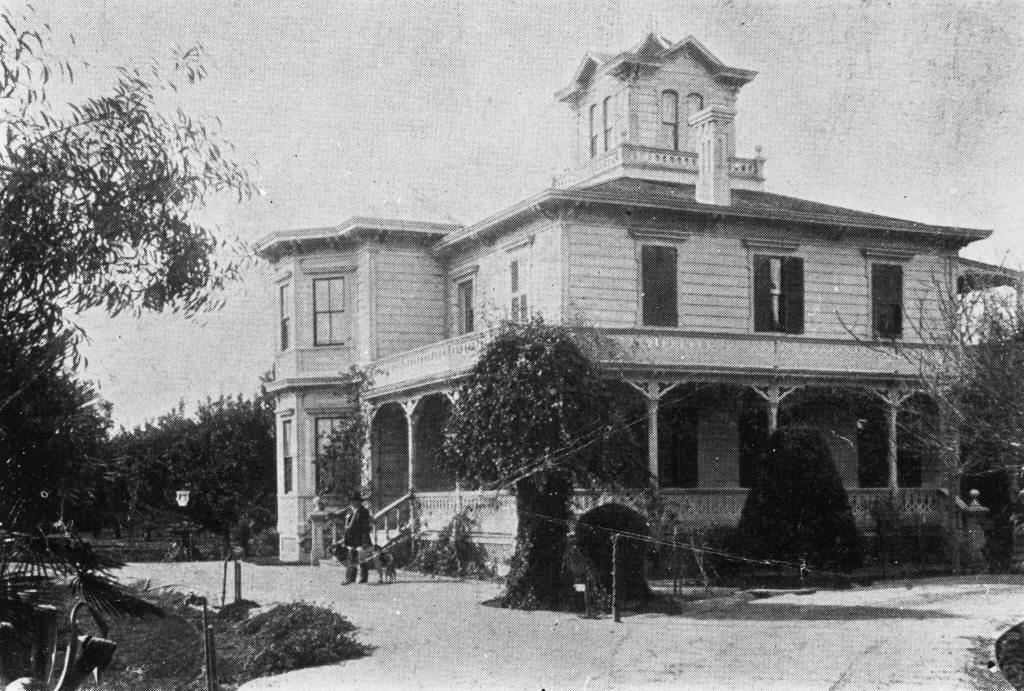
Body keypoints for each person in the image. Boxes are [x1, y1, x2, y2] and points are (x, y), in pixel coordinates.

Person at [342, 492, 372, 584]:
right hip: (351, 538)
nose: (353, 503)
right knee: (351, 558)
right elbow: (347, 523)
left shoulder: (364, 512)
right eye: (351, 501)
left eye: (355, 501)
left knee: (362, 559)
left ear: (359, 502)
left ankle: (363, 578)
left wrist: (365, 541)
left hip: (361, 537)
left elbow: (365, 527)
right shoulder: (350, 511)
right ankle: (350, 578)